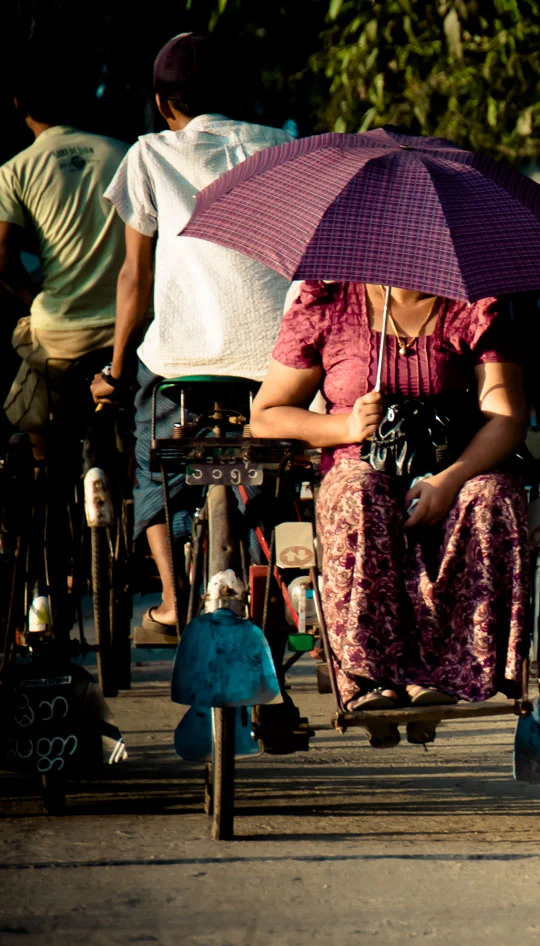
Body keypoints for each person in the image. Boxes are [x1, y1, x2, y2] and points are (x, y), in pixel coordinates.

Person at [249, 281, 531, 748]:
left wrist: (447, 481)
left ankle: (446, 673)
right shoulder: (327, 306)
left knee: (492, 497)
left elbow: (506, 418)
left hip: (453, 464)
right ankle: (370, 676)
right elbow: (267, 414)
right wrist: (344, 426)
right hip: (359, 462)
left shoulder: (475, 313)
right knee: (363, 492)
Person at [90, 32, 292, 646]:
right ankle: (289, 589)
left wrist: (118, 371)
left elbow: (136, 277)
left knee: (155, 465)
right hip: (274, 359)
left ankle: (175, 603)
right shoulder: (282, 147)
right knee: (284, 476)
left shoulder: (148, 155)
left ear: (160, 100)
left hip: (182, 359)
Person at [0, 69, 128, 436]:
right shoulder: (125, 154)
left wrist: (35, 300)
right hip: (130, 328)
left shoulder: (14, 171)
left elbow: (3, 263)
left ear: (17, 105)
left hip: (61, 333)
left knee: (35, 412)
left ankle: (45, 477)